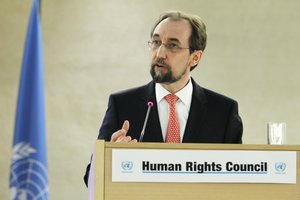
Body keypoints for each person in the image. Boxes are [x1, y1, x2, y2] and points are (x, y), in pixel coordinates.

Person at [84, 11, 243, 186]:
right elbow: (91, 179)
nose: (160, 53)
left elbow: (238, 181)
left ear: (195, 57)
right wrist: (111, 158)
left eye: (173, 45)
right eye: (156, 42)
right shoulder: (122, 105)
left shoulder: (223, 111)